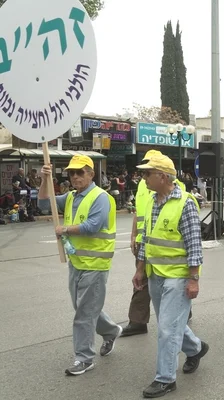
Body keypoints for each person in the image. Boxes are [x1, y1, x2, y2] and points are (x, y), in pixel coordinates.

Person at [38, 155, 122, 376]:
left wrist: (64, 229)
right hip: (76, 263)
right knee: (84, 308)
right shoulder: (71, 196)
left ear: (91, 174)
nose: (75, 176)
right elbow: (44, 203)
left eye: (80, 172)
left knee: (84, 313)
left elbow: (93, 226)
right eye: (71, 173)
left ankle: (84, 358)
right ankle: (111, 331)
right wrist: (44, 180)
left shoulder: (101, 197)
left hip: (95, 265)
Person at [133, 154, 208, 398]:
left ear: (163, 177)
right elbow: (146, 239)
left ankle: (165, 378)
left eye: (147, 174)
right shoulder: (152, 201)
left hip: (178, 276)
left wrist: (193, 279)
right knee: (172, 324)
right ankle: (196, 349)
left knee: (167, 328)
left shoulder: (185, 203)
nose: (143, 179)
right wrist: (140, 269)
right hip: (156, 275)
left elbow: (194, 245)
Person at [123, 150, 191, 337]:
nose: (144, 174)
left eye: (148, 169)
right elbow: (139, 212)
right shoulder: (143, 187)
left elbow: (181, 219)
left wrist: (193, 278)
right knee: (141, 284)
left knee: (171, 313)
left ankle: (183, 314)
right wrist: (133, 235)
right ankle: (137, 321)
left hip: (168, 249)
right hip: (145, 243)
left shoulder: (178, 187)